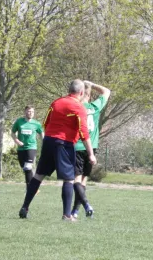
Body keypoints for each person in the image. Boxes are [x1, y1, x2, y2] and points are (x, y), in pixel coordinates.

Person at [18, 80, 96, 221]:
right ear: (82, 92)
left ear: (69, 89)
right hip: (64, 144)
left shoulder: (56, 102)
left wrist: (50, 137)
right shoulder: (79, 108)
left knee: (38, 176)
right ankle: (67, 215)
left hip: (48, 140)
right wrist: (91, 154)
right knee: (69, 179)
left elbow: (45, 123)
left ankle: (24, 207)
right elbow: (84, 133)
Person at [71, 81, 111, 219]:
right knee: (83, 181)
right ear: (89, 94)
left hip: (77, 146)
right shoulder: (95, 107)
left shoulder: (76, 108)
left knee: (76, 180)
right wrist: (91, 84)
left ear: (81, 93)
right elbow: (106, 91)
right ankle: (75, 212)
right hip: (91, 148)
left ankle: (86, 206)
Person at [11, 105, 43, 188]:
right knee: (25, 168)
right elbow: (13, 133)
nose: (31, 113)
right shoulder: (19, 122)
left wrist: (44, 143)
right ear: (25, 112)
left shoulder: (36, 123)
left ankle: (30, 188)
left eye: (32, 112)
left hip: (31, 147)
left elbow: (41, 133)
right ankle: (33, 186)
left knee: (28, 167)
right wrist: (17, 141)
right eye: (29, 111)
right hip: (21, 148)